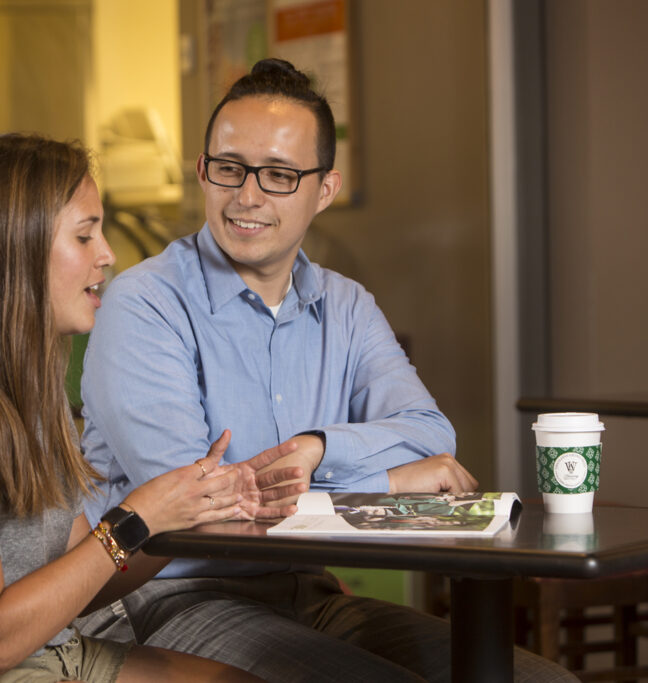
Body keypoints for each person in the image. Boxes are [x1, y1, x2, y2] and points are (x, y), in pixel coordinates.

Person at [77, 59, 576, 681]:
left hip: (305, 593)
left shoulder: (346, 306)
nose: (248, 196)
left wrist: (318, 448)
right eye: (229, 169)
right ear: (203, 173)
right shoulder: (144, 303)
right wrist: (390, 481)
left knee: (546, 682)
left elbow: (431, 434)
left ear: (326, 189)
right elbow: (201, 505)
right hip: (172, 600)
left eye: (280, 175)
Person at [0, 133, 299, 682]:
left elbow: (77, 573)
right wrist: (133, 518)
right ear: (13, 250)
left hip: (47, 655)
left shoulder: (23, 386)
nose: (107, 254)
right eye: (84, 235)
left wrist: (189, 513)